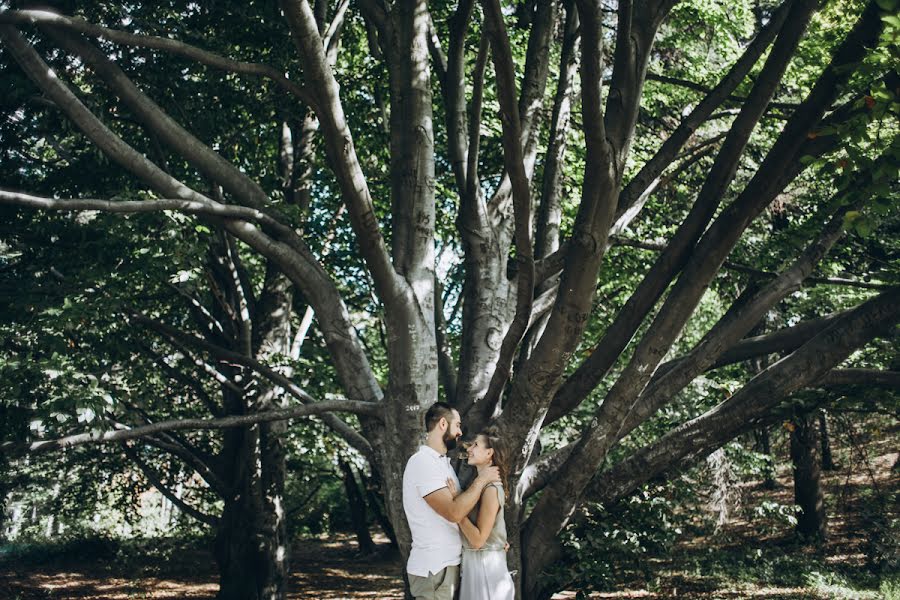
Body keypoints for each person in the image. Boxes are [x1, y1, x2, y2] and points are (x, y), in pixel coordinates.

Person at [403, 402, 501, 600]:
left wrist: (496, 540)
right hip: (434, 568)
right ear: (442, 424)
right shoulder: (423, 462)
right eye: (457, 425)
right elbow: (454, 512)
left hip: (447, 565)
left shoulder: (442, 464)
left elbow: (462, 508)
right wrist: (482, 480)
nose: (459, 432)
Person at [448, 427, 515, 600]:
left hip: (486, 569)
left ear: (489, 453)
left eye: (475, 445)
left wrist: (457, 510)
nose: (469, 449)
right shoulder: (480, 485)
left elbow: (478, 540)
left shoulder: (491, 489)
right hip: (477, 564)